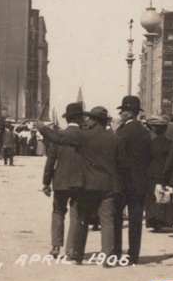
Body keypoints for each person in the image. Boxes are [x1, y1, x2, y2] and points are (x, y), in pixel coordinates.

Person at [35, 103, 126, 265]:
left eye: (90, 117)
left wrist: (42, 128)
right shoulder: (115, 138)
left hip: (89, 186)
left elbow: (59, 138)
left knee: (82, 220)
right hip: (109, 186)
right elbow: (122, 165)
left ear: (96, 120)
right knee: (107, 222)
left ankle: (77, 255)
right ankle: (108, 258)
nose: (87, 120)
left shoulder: (84, 136)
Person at [42, 105, 85, 258]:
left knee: (58, 212)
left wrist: (46, 183)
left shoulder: (58, 137)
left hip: (60, 181)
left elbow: (50, 163)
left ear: (67, 119)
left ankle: (55, 246)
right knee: (76, 214)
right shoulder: (85, 136)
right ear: (80, 118)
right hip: (80, 182)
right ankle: (71, 249)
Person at [113, 98, 151, 265]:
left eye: (122, 111)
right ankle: (133, 256)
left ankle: (116, 253)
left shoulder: (122, 133)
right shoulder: (145, 132)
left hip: (122, 183)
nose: (119, 113)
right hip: (140, 183)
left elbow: (117, 158)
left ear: (129, 112)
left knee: (116, 219)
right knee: (136, 221)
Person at [145, 119, 173, 232]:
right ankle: (165, 220)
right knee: (165, 195)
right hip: (165, 173)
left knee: (153, 196)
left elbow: (146, 159)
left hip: (152, 173)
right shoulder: (170, 143)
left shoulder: (150, 144)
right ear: (166, 130)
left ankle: (154, 220)